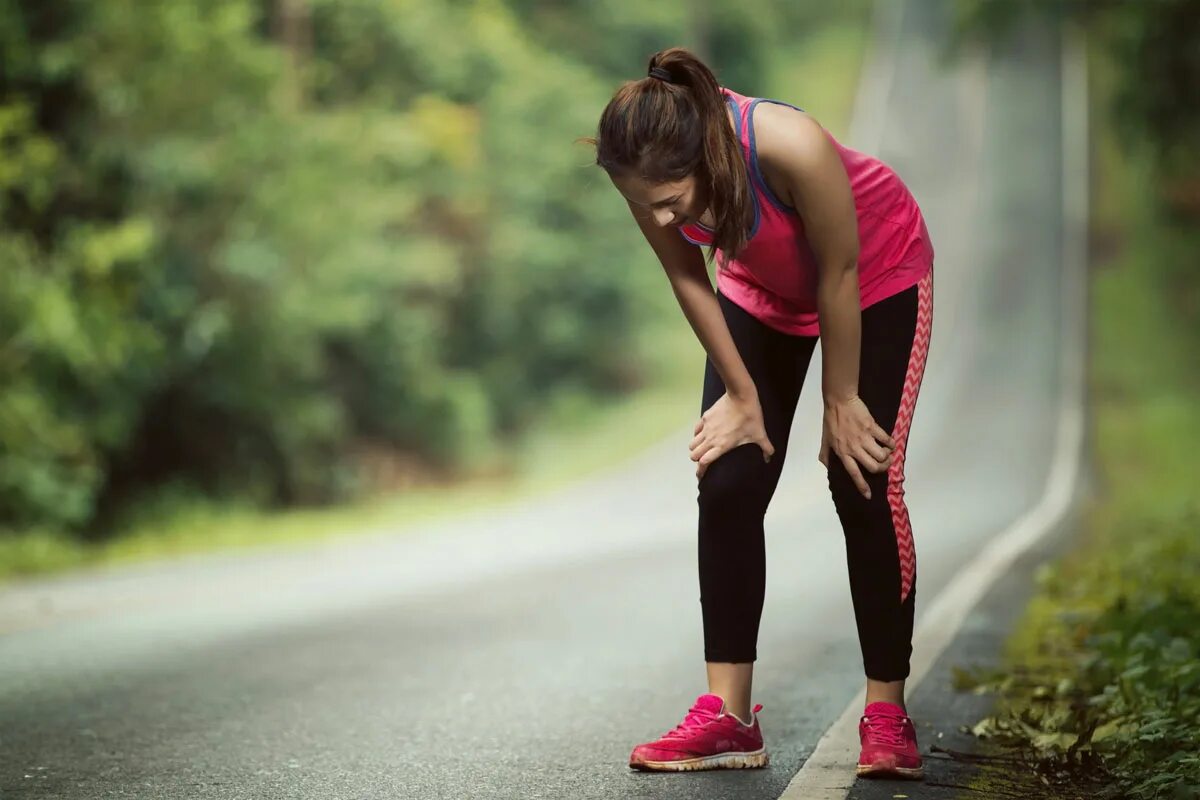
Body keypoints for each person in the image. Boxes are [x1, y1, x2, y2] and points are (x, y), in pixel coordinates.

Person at [586, 47, 934, 780]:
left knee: (861, 475)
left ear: (705, 155)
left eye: (671, 198)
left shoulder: (787, 146)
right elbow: (689, 276)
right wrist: (743, 398)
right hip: (759, 290)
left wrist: (840, 401)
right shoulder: (643, 172)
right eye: (642, 201)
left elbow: (839, 270)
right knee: (729, 476)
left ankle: (886, 713)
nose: (657, 215)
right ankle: (729, 719)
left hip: (874, 276)